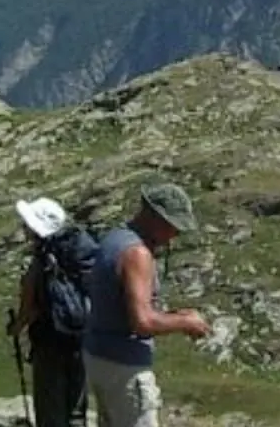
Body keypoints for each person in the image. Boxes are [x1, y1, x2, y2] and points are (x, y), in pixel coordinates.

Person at [81, 183, 210, 427]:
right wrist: (186, 322)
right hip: (125, 368)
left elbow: (122, 306)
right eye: (173, 227)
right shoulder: (137, 254)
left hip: (99, 356)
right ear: (156, 218)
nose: (174, 235)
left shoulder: (114, 238)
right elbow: (142, 322)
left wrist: (171, 315)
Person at [9, 197, 91, 427]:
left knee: (50, 410)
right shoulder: (75, 254)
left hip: (49, 342)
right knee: (76, 409)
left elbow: (30, 308)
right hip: (81, 340)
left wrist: (16, 328)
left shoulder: (41, 261)